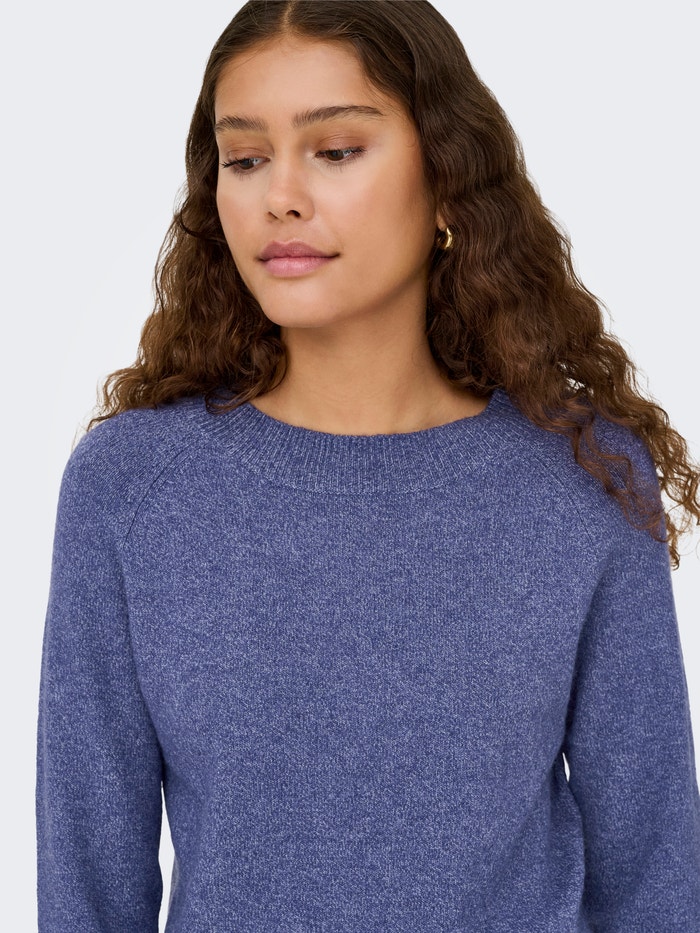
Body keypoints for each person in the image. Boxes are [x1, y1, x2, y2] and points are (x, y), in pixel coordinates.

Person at [36, 1, 700, 930]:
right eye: (245, 158)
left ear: (448, 181)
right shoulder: (131, 488)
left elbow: (658, 883)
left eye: (336, 150)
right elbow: (86, 894)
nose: (280, 196)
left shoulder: (585, 478)